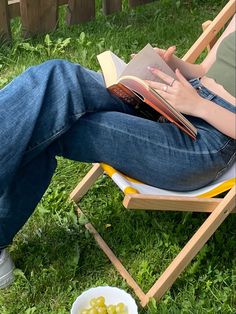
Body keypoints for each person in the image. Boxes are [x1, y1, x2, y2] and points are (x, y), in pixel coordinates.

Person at [0, 15, 235, 289]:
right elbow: (205, 69)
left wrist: (199, 107)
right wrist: (172, 65)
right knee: (59, 78)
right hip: (176, 102)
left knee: (50, 118)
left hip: (205, 141)